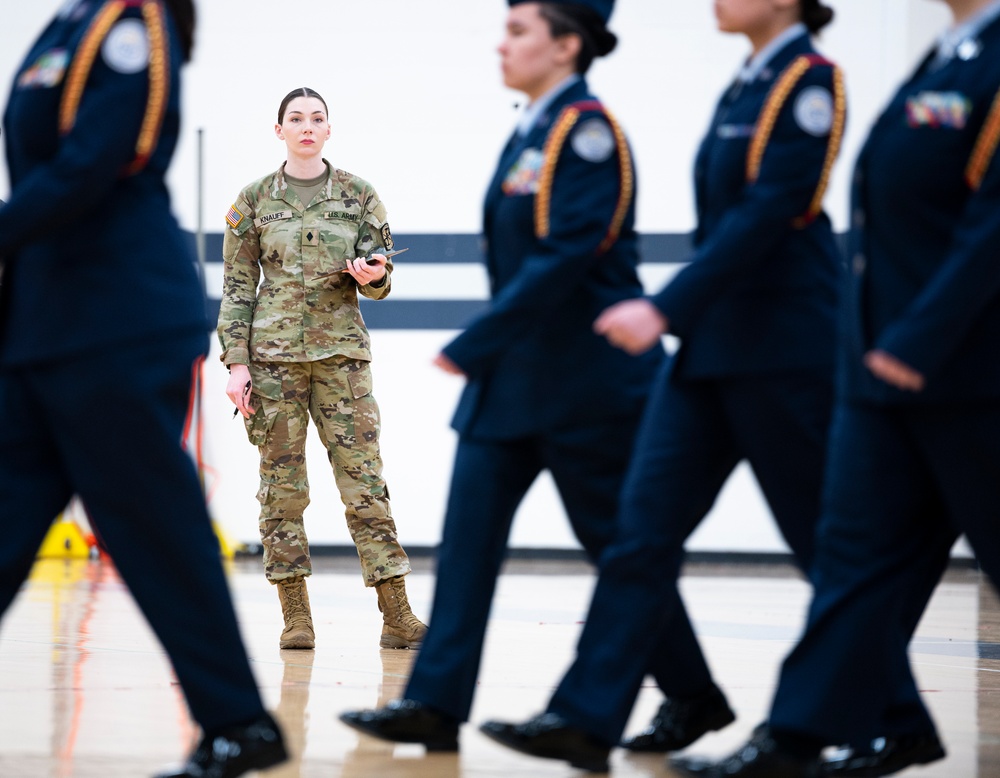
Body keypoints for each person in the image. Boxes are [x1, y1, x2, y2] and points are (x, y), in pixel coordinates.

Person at [476, 0, 849, 771]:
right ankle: (586, 717)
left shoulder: (810, 82)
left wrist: (664, 308)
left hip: (781, 352)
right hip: (709, 351)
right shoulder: (746, 86)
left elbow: (772, 214)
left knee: (827, 547)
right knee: (638, 537)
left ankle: (876, 719)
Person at [668, 0, 1000, 775]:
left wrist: (918, 339)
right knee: (856, 558)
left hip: (967, 372)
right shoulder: (950, 54)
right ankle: (795, 738)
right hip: (886, 370)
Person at [338, 0, 663, 759]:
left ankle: (691, 694)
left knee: (618, 548)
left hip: (581, 386)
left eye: (519, 31)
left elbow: (568, 256)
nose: (502, 43)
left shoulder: (586, 132)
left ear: (567, 44)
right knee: (469, 544)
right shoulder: (534, 129)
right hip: (511, 384)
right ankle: (432, 703)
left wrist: (474, 340)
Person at [0, 1, 287, 776]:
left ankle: (237, 723)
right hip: (47, 325)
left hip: (114, 322)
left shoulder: (130, 22)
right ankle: (239, 722)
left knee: (153, 528)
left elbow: (91, 163)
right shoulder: (74, 19)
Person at [218, 87, 426, 652]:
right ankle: (296, 617)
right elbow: (238, 288)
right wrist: (236, 363)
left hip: (342, 360)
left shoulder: (359, 195)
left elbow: (381, 281)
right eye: (296, 118)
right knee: (282, 491)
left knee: (365, 484)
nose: (306, 126)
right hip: (273, 362)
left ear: (329, 130)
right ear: (279, 129)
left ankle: (398, 614)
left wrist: (372, 276)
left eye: (317, 118)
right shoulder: (254, 200)